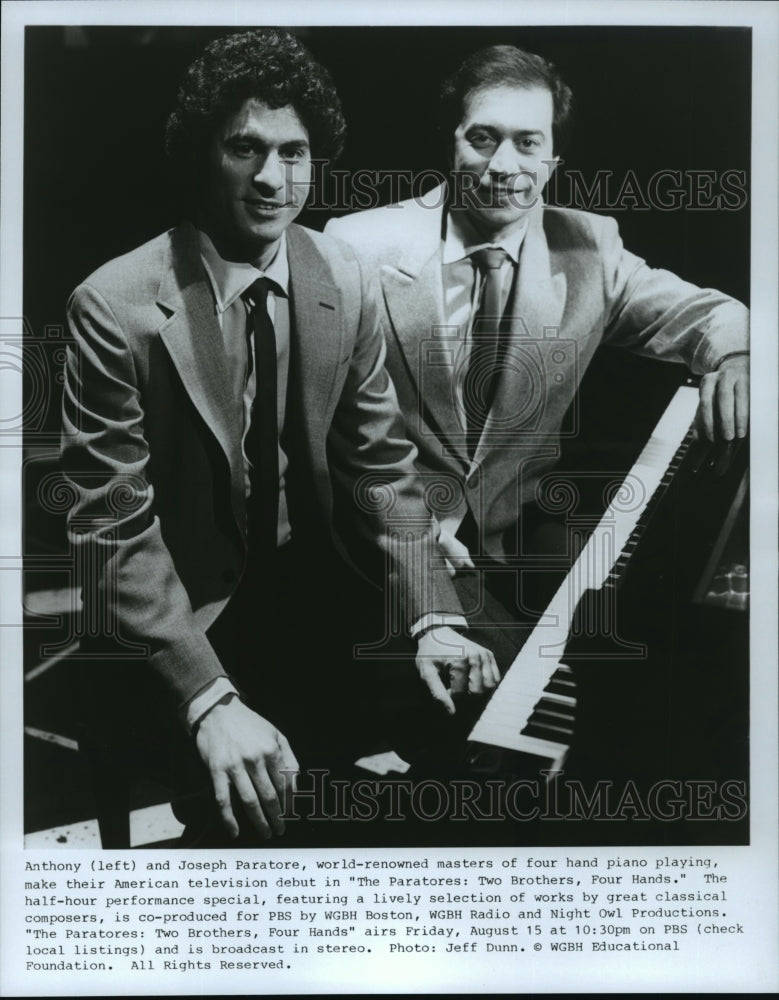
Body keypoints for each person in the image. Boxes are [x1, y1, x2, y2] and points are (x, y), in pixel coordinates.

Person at [60, 29, 500, 845]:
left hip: (312, 586)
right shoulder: (113, 305)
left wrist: (431, 615)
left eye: (294, 153)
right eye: (244, 149)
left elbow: (380, 467)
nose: (272, 179)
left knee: (481, 698)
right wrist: (210, 700)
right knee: (259, 806)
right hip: (183, 612)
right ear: (202, 155)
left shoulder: (341, 275)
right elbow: (108, 528)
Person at [325, 44, 749, 583]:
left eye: (528, 143)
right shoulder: (356, 247)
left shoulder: (590, 251)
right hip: (378, 556)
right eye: (483, 137)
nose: (503, 166)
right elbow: (313, 429)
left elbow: (714, 316)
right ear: (449, 141)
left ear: (552, 162)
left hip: (509, 550)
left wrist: (737, 355)